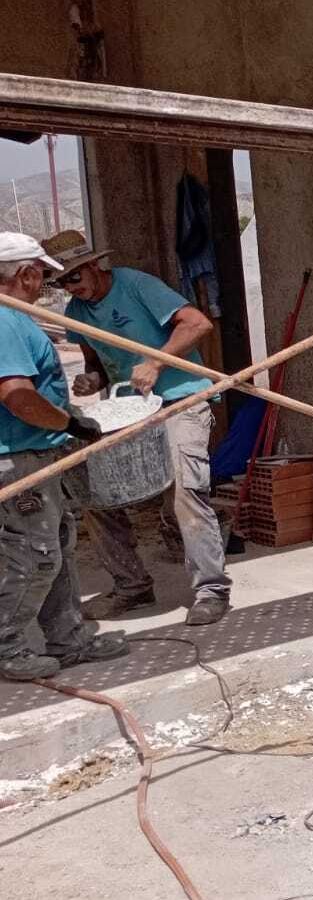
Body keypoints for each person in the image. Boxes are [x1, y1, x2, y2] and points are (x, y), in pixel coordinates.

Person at [42, 230, 232, 626]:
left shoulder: (136, 285)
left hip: (181, 400)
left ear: (94, 266)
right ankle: (132, 585)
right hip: (130, 408)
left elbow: (197, 324)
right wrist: (91, 381)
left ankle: (211, 589)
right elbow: (94, 363)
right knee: (95, 494)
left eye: (74, 278)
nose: (70, 288)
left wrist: (156, 362)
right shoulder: (76, 314)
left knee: (185, 490)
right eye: (61, 283)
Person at [0, 232, 127, 681]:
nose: (47, 285)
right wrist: (68, 423)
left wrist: (66, 418)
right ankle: (8, 647)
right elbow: (18, 395)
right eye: (44, 276)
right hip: (18, 455)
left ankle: (68, 640)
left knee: (57, 546)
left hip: (37, 453)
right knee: (34, 554)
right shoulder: (6, 321)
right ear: (28, 273)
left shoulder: (16, 319)